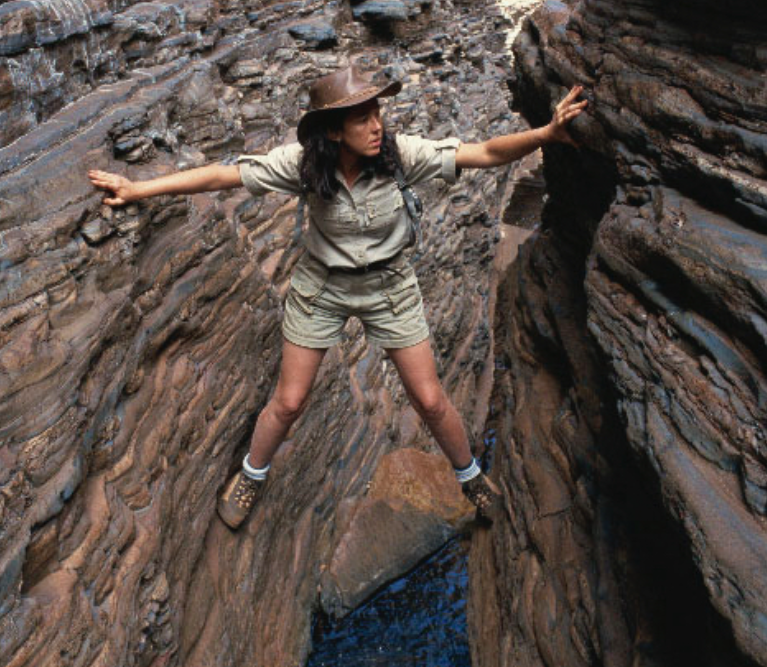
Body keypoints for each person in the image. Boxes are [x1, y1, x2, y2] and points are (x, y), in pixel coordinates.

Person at [88, 63, 587, 529]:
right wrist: (137, 189)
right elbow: (224, 176)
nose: (377, 126)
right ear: (333, 130)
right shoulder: (302, 165)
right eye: (363, 118)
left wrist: (544, 135)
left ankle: (470, 477)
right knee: (288, 402)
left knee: (432, 400)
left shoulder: (399, 155)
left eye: (378, 114)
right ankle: (251, 475)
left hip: (389, 286)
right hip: (321, 289)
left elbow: (482, 153)